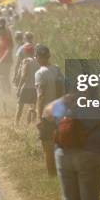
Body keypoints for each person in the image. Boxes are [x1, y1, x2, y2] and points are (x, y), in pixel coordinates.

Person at [43, 91, 100, 200]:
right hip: (90, 154)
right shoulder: (99, 105)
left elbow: (46, 112)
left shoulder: (66, 103)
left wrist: (63, 98)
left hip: (63, 154)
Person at [35, 44, 65, 176]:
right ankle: (60, 172)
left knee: (47, 147)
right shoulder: (57, 69)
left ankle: (51, 175)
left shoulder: (40, 73)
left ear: (37, 57)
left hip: (47, 114)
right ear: (48, 56)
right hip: (59, 111)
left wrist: (38, 117)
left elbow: (40, 95)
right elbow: (62, 89)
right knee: (58, 144)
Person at [14, 43, 37, 126]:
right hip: (35, 87)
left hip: (26, 87)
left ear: (25, 52)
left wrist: (19, 87)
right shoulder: (37, 60)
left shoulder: (26, 61)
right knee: (32, 106)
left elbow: (24, 75)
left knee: (20, 105)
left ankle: (16, 123)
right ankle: (31, 124)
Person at [0, 18, 13, 93]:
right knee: (0, 76)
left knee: (5, 77)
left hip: (6, 60)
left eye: (0, 29)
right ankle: (4, 92)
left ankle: (7, 93)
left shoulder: (7, 37)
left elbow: (8, 50)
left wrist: (0, 61)